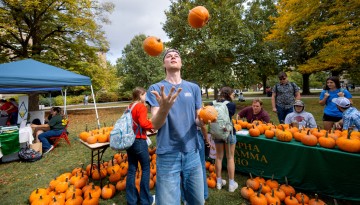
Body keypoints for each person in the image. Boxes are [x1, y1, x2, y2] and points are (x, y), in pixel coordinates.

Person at [146, 48, 205, 205]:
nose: (173, 57)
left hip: (192, 152)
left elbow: (198, 119)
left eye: (176, 55)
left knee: (198, 201)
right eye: (168, 56)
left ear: (181, 62)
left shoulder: (194, 88)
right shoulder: (156, 88)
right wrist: (164, 109)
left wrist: (205, 120)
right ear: (164, 64)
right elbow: (155, 125)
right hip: (167, 154)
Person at [126, 87, 155, 205]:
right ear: (140, 95)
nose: (146, 97)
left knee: (132, 170)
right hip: (139, 141)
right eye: (145, 95)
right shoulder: (141, 107)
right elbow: (143, 123)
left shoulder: (129, 106)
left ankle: (132, 200)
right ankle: (145, 200)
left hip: (129, 141)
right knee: (146, 168)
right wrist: (151, 125)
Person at [210, 86, 238, 193]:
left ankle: (218, 182)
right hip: (228, 132)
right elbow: (230, 116)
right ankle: (231, 184)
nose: (234, 95)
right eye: (232, 94)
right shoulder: (231, 105)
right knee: (230, 157)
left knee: (219, 157)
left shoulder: (212, 103)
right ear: (229, 94)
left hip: (217, 133)